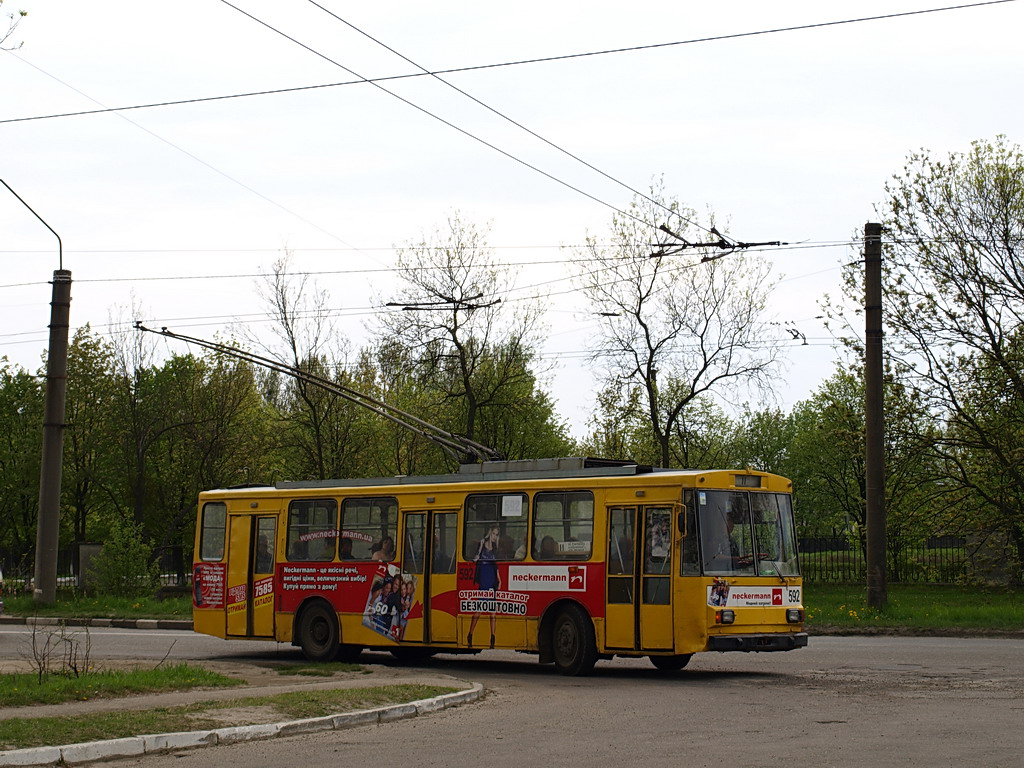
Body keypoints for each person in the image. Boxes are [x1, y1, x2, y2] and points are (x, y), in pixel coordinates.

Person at [468, 524, 500, 649]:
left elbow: (495, 564)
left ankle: (492, 638)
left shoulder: (495, 547)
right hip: (484, 577)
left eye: (497, 535)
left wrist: (499, 579)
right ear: (490, 532)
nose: (495, 536)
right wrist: (475, 559)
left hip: (491, 577)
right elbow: (477, 556)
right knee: (480, 608)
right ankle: (470, 634)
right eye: (494, 534)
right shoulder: (482, 543)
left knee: (493, 611)